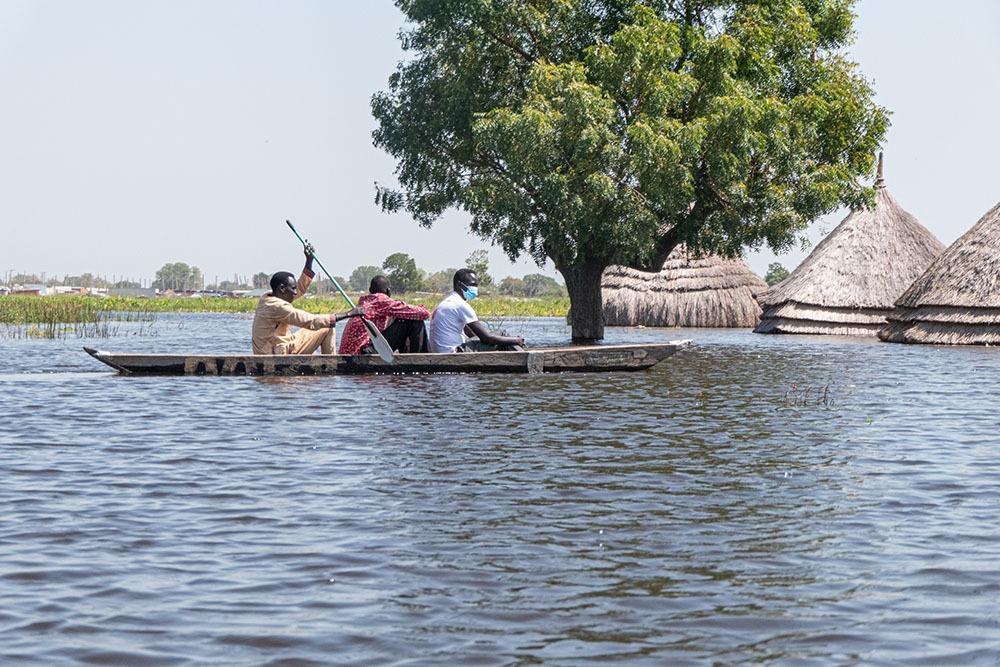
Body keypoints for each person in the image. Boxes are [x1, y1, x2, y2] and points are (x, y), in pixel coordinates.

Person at [251, 246, 362, 355]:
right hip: (274, 352)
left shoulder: (268, 297)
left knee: (324, 325)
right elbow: (310, 321)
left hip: (274, 347)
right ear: (282, 289)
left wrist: (309, 261)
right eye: (293, 289)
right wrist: (349, 314)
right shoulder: (277, 307)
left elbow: (300, 288)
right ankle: (331, 364)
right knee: (327, 326)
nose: (295, 293)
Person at [428, 268, 525, 353]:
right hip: (455, 353)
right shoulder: (460, 304)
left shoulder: (448, 302)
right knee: (503, 334)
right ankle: (522, 357)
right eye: (472, 285)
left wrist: (483, 342)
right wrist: (516, 340)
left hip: (444, 351)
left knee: (499, 338)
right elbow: (486, 338)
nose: (475, 288)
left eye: (476, 285)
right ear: (459, 285)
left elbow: (470, 333)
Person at [338, 275, 431, 355]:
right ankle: (422, 360)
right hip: (364, 352)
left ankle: (410, 357)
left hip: (352, 352)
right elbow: (424, 314)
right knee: (411, 321)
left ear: (370, 290)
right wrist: (422, 307)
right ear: (388, 291)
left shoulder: (366, 302)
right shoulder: (380, 300)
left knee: (402, 316)